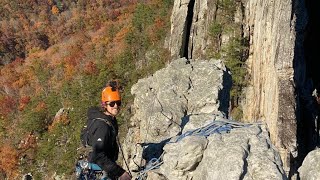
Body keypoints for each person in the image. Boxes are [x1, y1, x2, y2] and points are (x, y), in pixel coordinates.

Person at [87, 81, 131, 180]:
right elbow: (98, 155)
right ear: (104, 105)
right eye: (112, 103)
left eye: (118, 103)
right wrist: (120, 173)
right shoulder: (103, 126)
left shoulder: (110, 120)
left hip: (104, 167)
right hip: (99, 169)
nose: (116, 106)